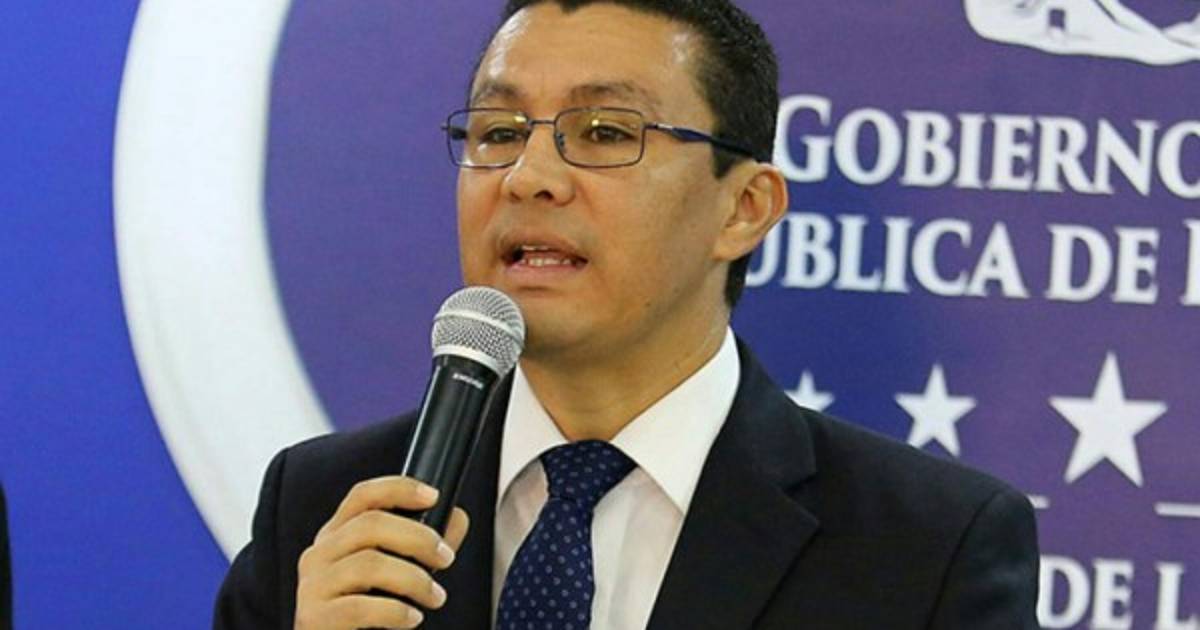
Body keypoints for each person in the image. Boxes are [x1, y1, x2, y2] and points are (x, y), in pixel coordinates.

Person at [214, 1, 1040, 628]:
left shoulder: (928, 549)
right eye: (498, 132)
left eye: (605, 132)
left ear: (744, 208)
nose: (529, 177)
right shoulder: (323, 508)